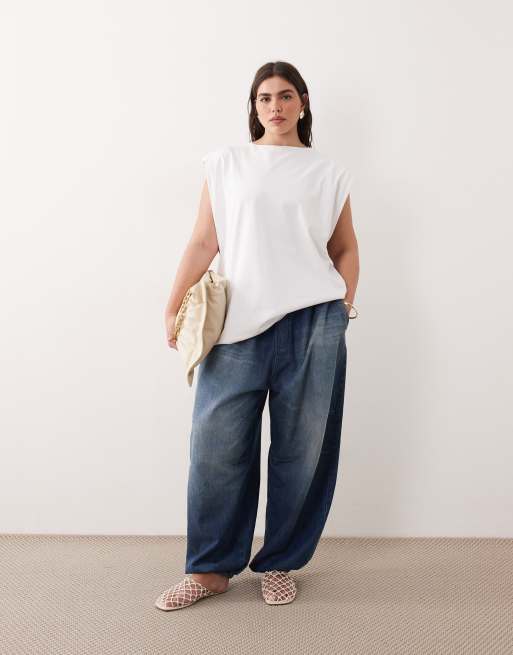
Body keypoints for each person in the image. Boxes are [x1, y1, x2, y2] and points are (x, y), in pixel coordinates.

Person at [155, 60, 360, 611]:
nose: (275, 106)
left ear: (303, 103)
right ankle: (209, 570)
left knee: (302, 452)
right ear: (254, 106)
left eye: (286, 96)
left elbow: (345, 247)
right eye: (264, 98)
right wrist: (173, 303)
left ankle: (279, 563)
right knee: (216, 449)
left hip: (313, 323)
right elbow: (204, 241)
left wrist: (343, 305)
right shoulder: (227, 163)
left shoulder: (327, 172)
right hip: (236, 326)